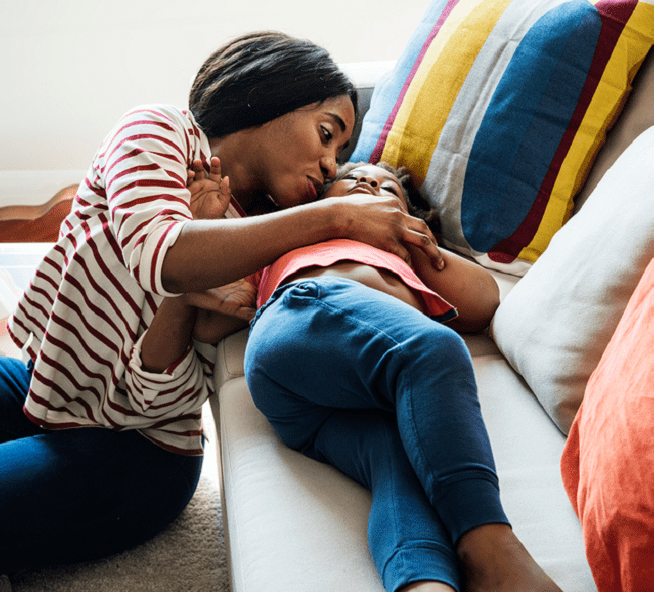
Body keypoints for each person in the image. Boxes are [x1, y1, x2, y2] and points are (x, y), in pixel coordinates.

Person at [0, 32, 444, 592]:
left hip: (139, 455)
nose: (329, 165)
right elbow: (164, 251)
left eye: (340, 155)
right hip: (45, 394)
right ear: (270, 97)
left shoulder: (269, 238)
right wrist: (325, 216)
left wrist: (199, 283)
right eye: (327, 133)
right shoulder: (158, 133)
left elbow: (159, 390)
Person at [237, 162, 563, 592]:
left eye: (387, 187)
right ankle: (491, 551)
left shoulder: (408, 256)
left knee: (400, 463)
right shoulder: (303, 233)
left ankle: (424, 584)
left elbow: (483, 301)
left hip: (317, 406)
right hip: (304, 315)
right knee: (436, 347)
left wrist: (414, 240)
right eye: (352, 180)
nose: (369, 184)